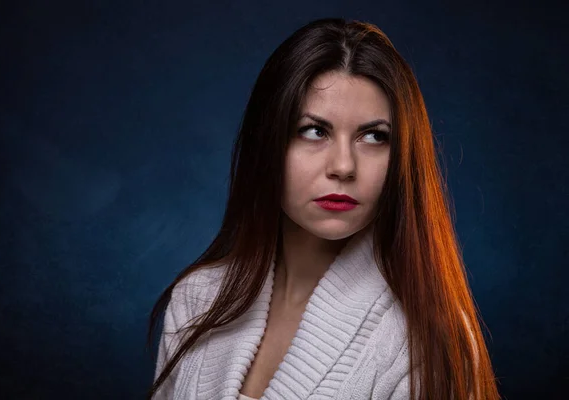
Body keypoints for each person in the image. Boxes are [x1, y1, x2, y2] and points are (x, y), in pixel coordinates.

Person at [147, 17, 500, 400]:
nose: (344, 166)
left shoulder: (429, 338)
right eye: (315, 131)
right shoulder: (197, 299)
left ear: (401, 159)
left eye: (374, 136)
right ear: (267, 144)